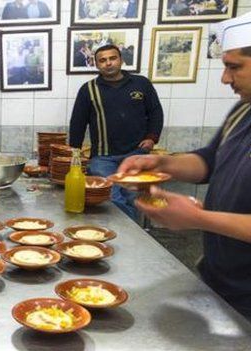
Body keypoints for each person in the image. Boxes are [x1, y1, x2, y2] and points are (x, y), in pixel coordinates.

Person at [117, 12, 251, 321]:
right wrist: (161, 162)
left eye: (234, 67)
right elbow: (208, 161)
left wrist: (199, 218)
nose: (225, 79)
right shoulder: (243, 111)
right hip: (219, 279)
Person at [69, 44, 163, 220]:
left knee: (133, 198)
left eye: (112, 58)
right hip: (103, 158)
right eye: (102, 60)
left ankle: (132, 238)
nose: (108, 63)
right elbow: (78, 122)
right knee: (112, 197)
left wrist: (152, 138)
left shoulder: (141, 84)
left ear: (121, 60)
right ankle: (128, 234)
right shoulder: (89, 89)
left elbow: (156, 112)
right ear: (96, 64)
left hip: (136, 154)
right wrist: (75, 150)